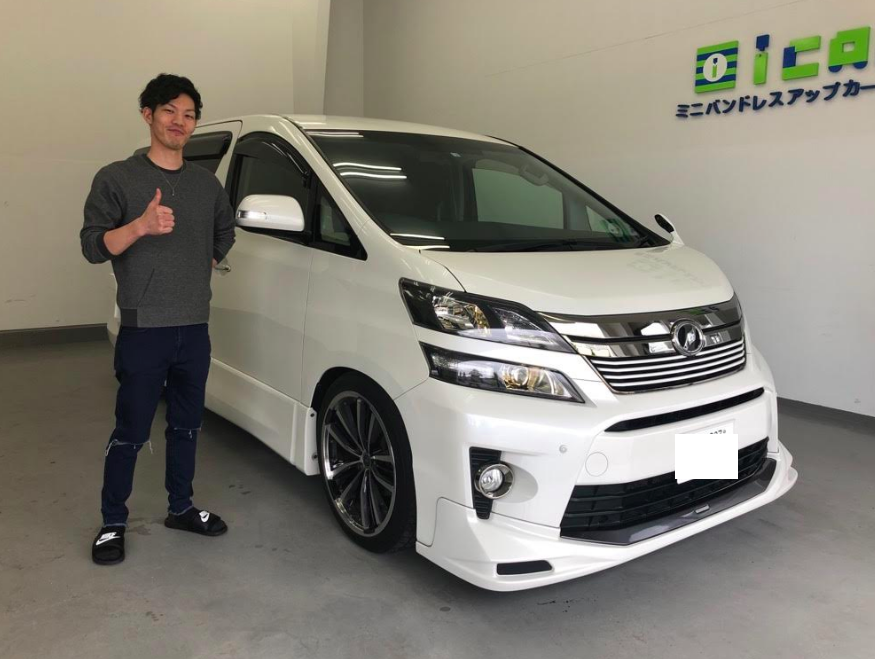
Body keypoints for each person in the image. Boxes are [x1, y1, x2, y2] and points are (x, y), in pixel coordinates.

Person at [80, 73, 236, 565]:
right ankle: (112, 521)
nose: (179, 121)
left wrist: (204, 261)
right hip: (143, 327)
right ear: (148, 115)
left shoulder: (206, 184)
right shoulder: (116, 177)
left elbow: (225, 230)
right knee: (131, 430)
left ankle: (181, 508)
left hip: (194, 326)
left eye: (189, 114)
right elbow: (92, 246)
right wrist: (141, 226)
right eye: (169, 110)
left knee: (186, 426)